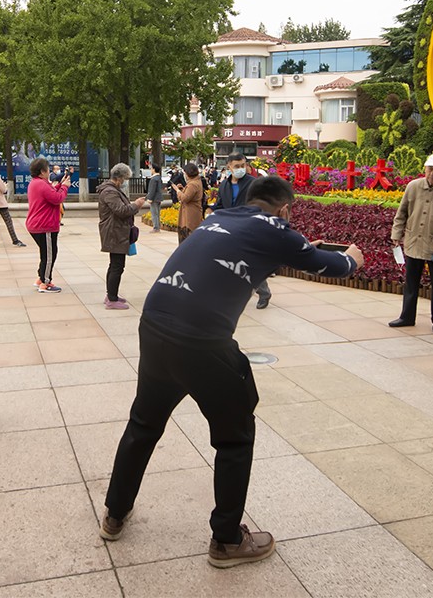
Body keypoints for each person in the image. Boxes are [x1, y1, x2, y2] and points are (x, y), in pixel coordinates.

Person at [101, 176, 364, 567]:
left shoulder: (219, 217)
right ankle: (226, 540)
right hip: (203, 343)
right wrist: (353, 257)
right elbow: (336, 266)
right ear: (285, 209)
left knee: (144, 424)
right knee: (235, 438)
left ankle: (115, 513)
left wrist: (284, 252)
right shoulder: (276, 228)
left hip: (155, 326)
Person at [389, 154, 433, 334]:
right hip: (414, 241)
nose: (432, 174)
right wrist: (396, 234)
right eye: (430, 169)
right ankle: (406, 317)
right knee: (411, 283)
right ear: (425, 169)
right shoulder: (413, 186)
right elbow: (402, 213)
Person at [213, 152, 272, 308]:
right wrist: (211, 212)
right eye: (237, 166)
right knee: (227, 263)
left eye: (243, 165)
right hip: (229, 230)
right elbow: (220, 205)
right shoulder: (224, 185)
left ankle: (263, 292)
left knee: (250, 264)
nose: (241, 168)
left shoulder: (253, 183)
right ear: (229, 167)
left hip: (248, 229)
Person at [98, 163, 147, 310]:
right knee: (117, 266)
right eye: (125, 178)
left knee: (115, 264)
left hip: (117, 231)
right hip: (114, 232)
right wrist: (136, 205)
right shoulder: (110, 192)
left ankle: (111, 295)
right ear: (119, 178)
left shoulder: (113, 190)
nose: (126, 181)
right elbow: (121, 210)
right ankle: (112, 299)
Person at [25, 156, 67, 293]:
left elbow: (52, 192)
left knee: (46, 253)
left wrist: (61, 185)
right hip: (44, 225)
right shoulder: (42, 184)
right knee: (50, 255)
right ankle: (46, 282)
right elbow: (57, 198)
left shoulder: (36, 183)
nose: (49, 172)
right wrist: (65, 187)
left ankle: (41, 277)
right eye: (48, 169)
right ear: (42, 171)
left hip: (38, 224)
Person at [0, 164, 26, 248]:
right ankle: (15, 240)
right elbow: (3, 190)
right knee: (8, 222)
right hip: (1, 204)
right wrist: (5, 186)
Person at [175, 163, 204, 244]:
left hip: (190, 214)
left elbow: (185, 198)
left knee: (188, 238)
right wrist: (182, 189)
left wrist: (178, 191)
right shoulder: (195, 182)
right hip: (192, 212)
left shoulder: (193, 184)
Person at [145, 164, 165, 233]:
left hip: (154, 198)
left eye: (151, 169)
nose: (151, 170)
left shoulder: (153, 179)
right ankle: (157, 227)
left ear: (154, 169)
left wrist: (149, 198)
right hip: (159, 198)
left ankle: (156, 228)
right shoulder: (158, 178)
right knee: (157, 213)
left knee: (154, 213)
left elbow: (152, 190)